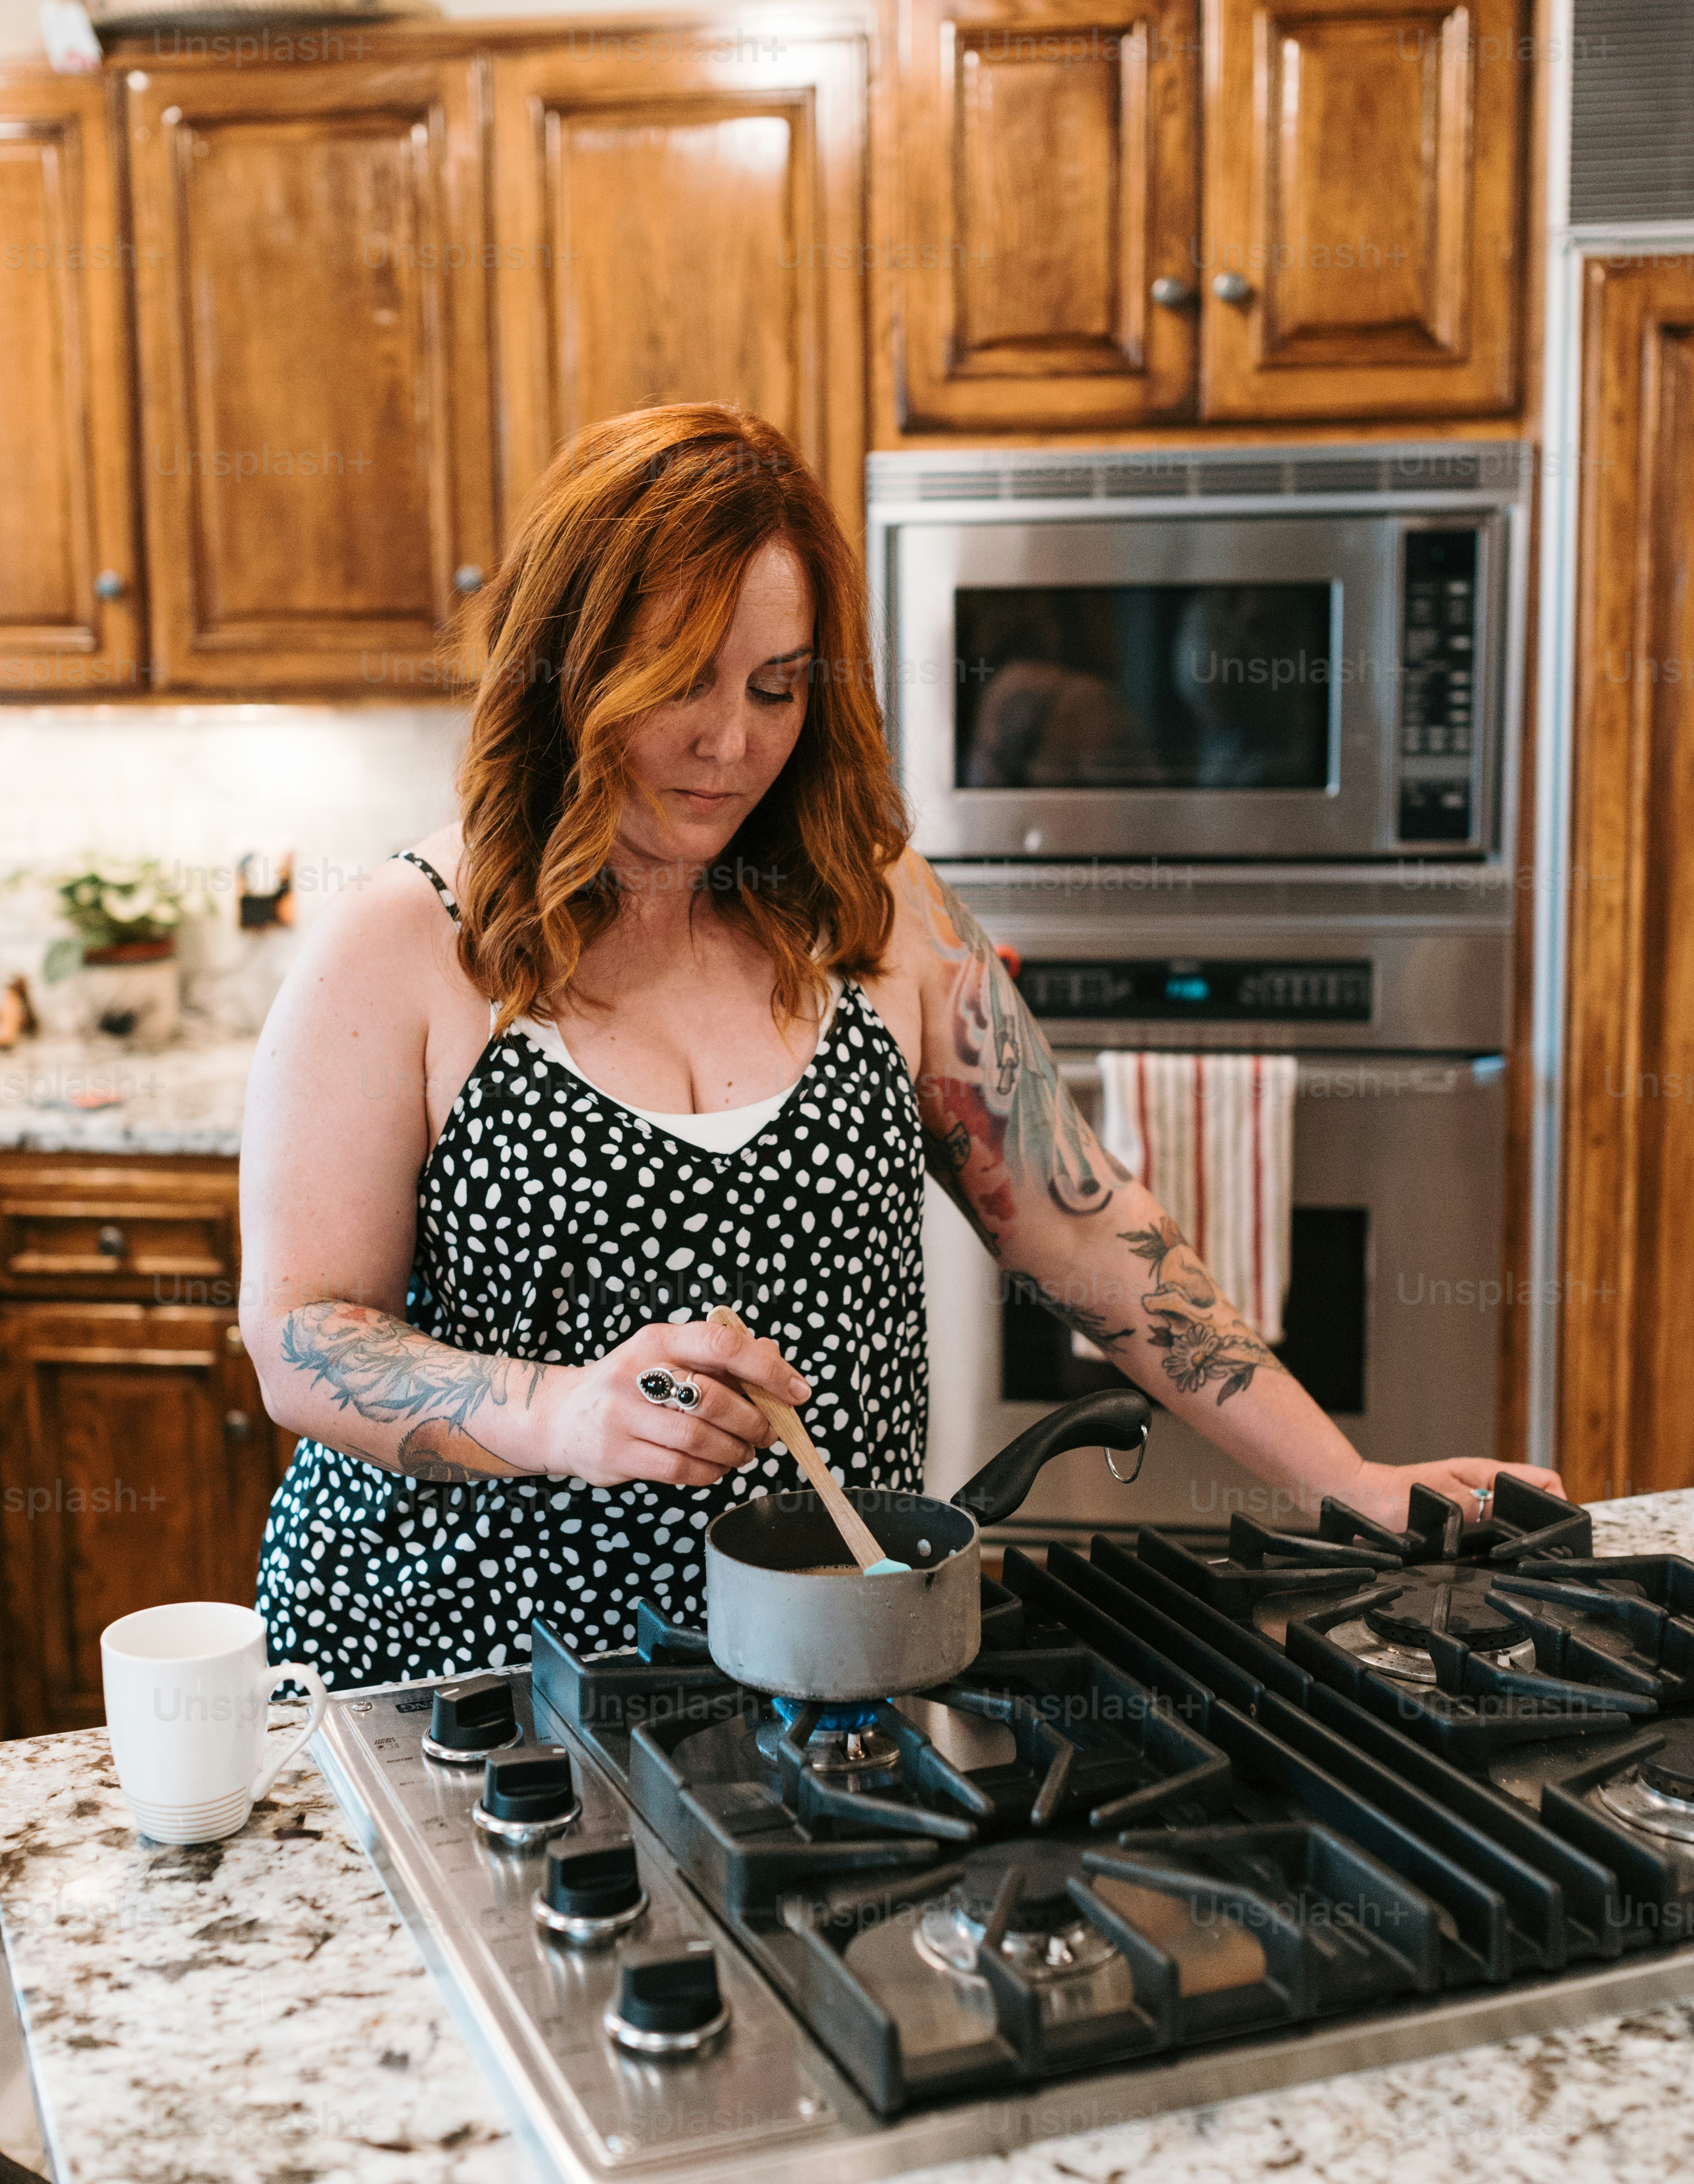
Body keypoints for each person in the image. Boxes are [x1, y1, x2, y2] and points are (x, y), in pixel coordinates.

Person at [240, 403, 1562, 1691]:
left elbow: (1081, 1225)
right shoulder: (409, 941)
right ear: (568, 669)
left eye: (776, 687)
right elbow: (297, 1333)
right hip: (455, 1675)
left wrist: (1346, 1480)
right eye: (679, 684)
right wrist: (554, 1411)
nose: (733, 742)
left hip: (820, 1664)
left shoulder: (875, 910)